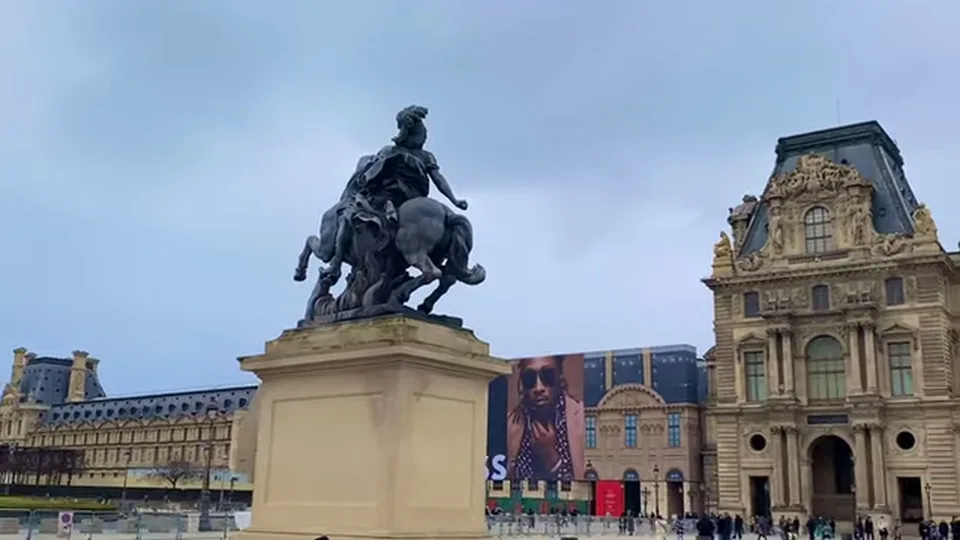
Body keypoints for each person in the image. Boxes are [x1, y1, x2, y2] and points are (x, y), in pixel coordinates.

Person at [507, 355, 585, 480]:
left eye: (547, 376)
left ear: (560, 380)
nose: (539, 388)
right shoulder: (511, 423)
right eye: (529, 379)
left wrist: (551, 458)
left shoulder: (581, 419)